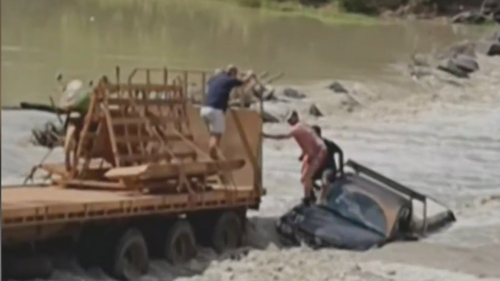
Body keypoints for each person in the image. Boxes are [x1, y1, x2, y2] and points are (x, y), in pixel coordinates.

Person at [263, 110, 327, 204]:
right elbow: (307, 141)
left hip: (319, 152)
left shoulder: (297, 128)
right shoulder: (302, 126)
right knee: (305, 177)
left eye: (290, 119)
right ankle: (309, 196)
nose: (289, 121)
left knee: (306, 177)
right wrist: (303, 154)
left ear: (295, 117)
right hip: (314, 153)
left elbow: (283, 136)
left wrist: (266, 135)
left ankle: (309, 199)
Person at [201, 65, 255, 159]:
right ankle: (213, 158)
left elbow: (211, 85)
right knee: (217, 135)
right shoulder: (230, 79)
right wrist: (250, 74)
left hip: (204, 109)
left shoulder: (214, 78)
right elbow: (243, 81)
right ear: (233, 73)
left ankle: (212, 154)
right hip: (216, 110)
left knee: (212, 134)